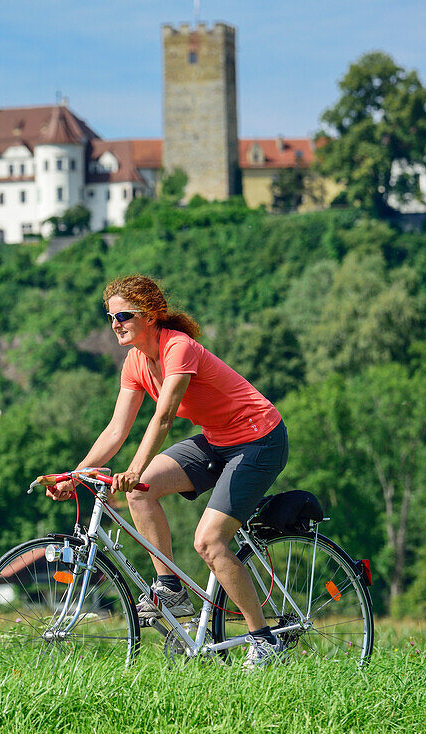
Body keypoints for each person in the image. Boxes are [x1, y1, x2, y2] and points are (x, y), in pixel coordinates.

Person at [47, 274, 290, 669]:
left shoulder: (179, 348)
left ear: (151, 315)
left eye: (123, 315)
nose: (115, 325)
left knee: (209, 542)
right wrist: (75, 477)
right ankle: (171, 588)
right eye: (109, 317)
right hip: (216, 439)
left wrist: (134, 466)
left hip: (259, 439)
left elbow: (162, 419)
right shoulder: (135, 362)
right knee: (139, 490)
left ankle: (264, 640)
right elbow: (115, 430)